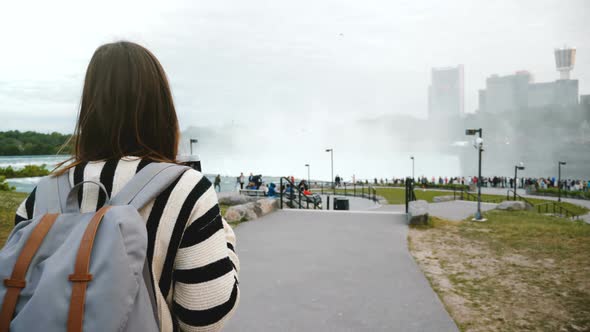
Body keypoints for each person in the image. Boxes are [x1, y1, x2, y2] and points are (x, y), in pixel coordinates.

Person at [13, 42, 239, 331]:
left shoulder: (40, 195)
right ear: (161, 108)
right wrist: (227, 239)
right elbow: (206, 317)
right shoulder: (186, 189)